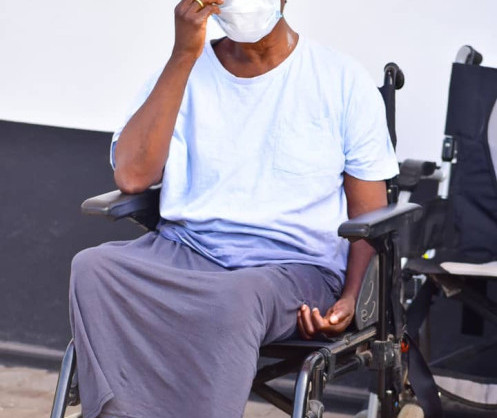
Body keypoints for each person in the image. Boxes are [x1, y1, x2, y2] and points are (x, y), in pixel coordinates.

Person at [69, 0, 399, 417]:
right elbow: (132, 177)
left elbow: (369, 215)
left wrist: (352, 297)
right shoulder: (185, 71)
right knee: (94, 269)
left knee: (237, 298)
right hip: (189, 249)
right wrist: (183, 55)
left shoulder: (341, 79)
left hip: (292, 267)